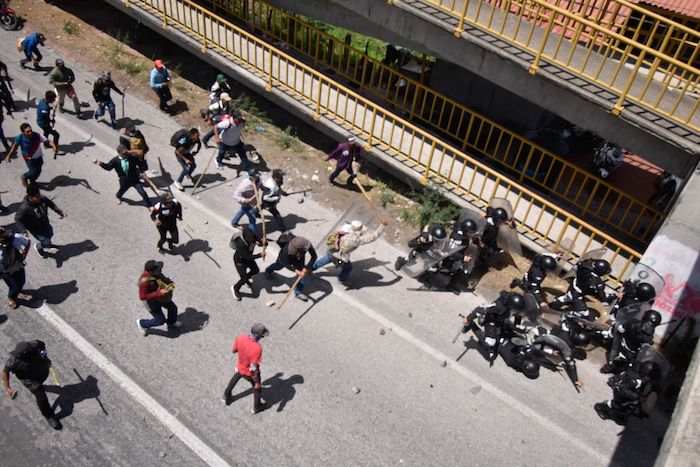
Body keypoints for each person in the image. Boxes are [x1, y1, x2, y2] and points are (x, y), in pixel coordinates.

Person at [2, 340, 62, 430]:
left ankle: (43, 387)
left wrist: (44, 357)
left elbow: (42, 347)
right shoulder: (14, 361)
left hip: (41, 372)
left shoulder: (35, 344)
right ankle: (49, 416)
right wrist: (7, 388)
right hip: (30, 381)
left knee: (41, 384)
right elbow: (5, 372)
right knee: (41, 397)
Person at [312, 219, 387, 286]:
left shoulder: (343, 230)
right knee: (348, 268)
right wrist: (382, 225)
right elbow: (374, 236)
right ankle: (342, 279)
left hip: (331, 251)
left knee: (328, 258)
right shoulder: (358, 239)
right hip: (340, 259)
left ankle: (310, 268)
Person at [461, 291, 525, 362]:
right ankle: (472, 325)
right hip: (491, 321)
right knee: (489, 343)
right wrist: (468, 318)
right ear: (511, 306)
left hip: (500, 319)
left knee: (506, 332)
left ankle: (498, 340)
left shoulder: (509, 302)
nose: (516, 311)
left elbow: (517, 316)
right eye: (515, 309)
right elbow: (479, 310)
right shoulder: (497, 307)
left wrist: (518, 325)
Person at [222, 323, 269, 414]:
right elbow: (253, 366)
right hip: (249, 372)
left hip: (240, 365)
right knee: (257, 388)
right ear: (258, 336)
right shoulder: (257, 348)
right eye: (262, 336)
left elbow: (234, 350)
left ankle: (226, 395)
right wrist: (257, 381)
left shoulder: (240, 337)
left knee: (238, 374)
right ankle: (257, 406)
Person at [595, 361, 661, 425]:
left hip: (626, 391)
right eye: (650, 378)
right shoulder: (634, 381)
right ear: (644, 374)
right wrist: (637, 397)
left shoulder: (639, 375)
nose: (650, 380)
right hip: (621, 393)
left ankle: (620, 414)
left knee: (627, 406)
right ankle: (601, 407)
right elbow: (623, 390)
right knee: (618, 405)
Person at [548, 258, 616, 320]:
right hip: (578, 293)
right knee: (584, 313)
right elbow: (600, 294)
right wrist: (605, 301)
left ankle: (555, 304)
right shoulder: (596, 281)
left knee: (568, 297)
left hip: (575, 285)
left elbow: (582, 263)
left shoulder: (584, 266)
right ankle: (568, 314)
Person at [601, 309, 661, 374]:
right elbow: (646, 347)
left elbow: (620, 329)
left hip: (621, 345)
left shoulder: (633, 323)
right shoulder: (649, 337)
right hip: (631, 353)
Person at [15, 184, 66, 257]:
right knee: (45, 240)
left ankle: (47, 245)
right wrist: (23, 230)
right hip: (35, 229)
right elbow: (17, 219)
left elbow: (51, 204)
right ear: (30, 197)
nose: (39, 198)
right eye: (37, 197)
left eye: (39, 195)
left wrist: (59, 212)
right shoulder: (24, 208)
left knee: (50, 233)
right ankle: (39, 248)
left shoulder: (42, 199)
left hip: (44, 223)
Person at [265, 235, 317, 302]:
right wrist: (296, 271)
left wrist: (306, 268)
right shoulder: (286, 251)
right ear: (299, 249)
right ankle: (268, 270)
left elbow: (314, 256)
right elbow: (285, 264)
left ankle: (298, 293)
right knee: (278, 266)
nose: (309, 247)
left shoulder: (306, 243)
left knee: (302, 276)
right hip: (285, 260)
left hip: (298, 258)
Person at [5, 123, 58, 187]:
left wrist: (54, 147)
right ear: (23, 132)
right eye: (27, 131)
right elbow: (14, 147)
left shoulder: (37, 135)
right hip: (29, 158)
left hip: (39, 157)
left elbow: (48, 141)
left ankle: (32, 182)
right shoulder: (20, 138)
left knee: (38, 171)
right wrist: (9, 156)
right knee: (33, 171)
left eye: (31, 130)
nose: (30, 132)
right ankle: (24, 177)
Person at [136, 260, 179, 335]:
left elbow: (163, 278)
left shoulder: (156, 274)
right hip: (151, 302)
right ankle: (142, 323)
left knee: (173, 308)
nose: (160, 270)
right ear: (151, 271)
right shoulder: (145, 282)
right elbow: (142, 296)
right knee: (160, 321)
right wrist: (159, 293)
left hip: (160, 297)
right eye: (157, 269)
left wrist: (169, 283)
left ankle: (171, 323)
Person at [230, 227, 265, 301]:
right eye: (250, 240)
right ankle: (235, 288)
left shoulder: (253, 235)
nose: (251, 241)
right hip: (240, 261)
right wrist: (259, 255)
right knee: (244, 278)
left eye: (252, 239)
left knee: (255, 270)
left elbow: (261, 243)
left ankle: (245, 281)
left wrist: (264, 242)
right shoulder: (240, 243)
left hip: (249, 258)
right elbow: (246, 257)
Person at [0, 227, 30, 309]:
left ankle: (18, 292)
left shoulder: (15, 238)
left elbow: (27, 242)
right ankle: (12, 298)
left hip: (17, 265)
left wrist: (24, 256)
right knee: (14, 286)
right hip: (5, 271)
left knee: (22, 281)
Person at [36, 91, 63, 155]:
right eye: (53, 99)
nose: (54, 100)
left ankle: (46, 144)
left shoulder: (42, 101)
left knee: (46, 132)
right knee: (56, 135)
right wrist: (51, 121)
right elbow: (45, 117)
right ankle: (56, 149)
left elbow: (46, 110)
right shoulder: (45, 108)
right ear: (49, 98)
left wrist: (51, 108)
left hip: (40, 121)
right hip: (43, 123)